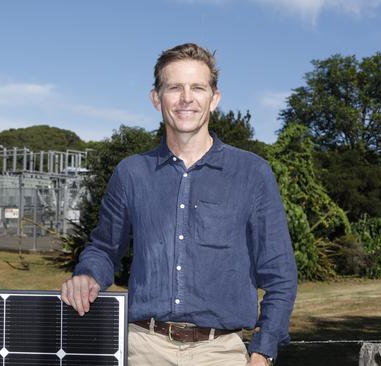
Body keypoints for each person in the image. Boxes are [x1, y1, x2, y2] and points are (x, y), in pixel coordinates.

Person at [60, 43, 297, 366]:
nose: (186, 98)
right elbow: (104, 248)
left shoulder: (253, 173)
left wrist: (263, 351)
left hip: (220, 352)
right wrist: (88, 275)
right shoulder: (131, 173)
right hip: (142, 348)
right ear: (156, 98)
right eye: (174, 87)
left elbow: (280, 275)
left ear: (214, 98)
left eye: (197, 87)